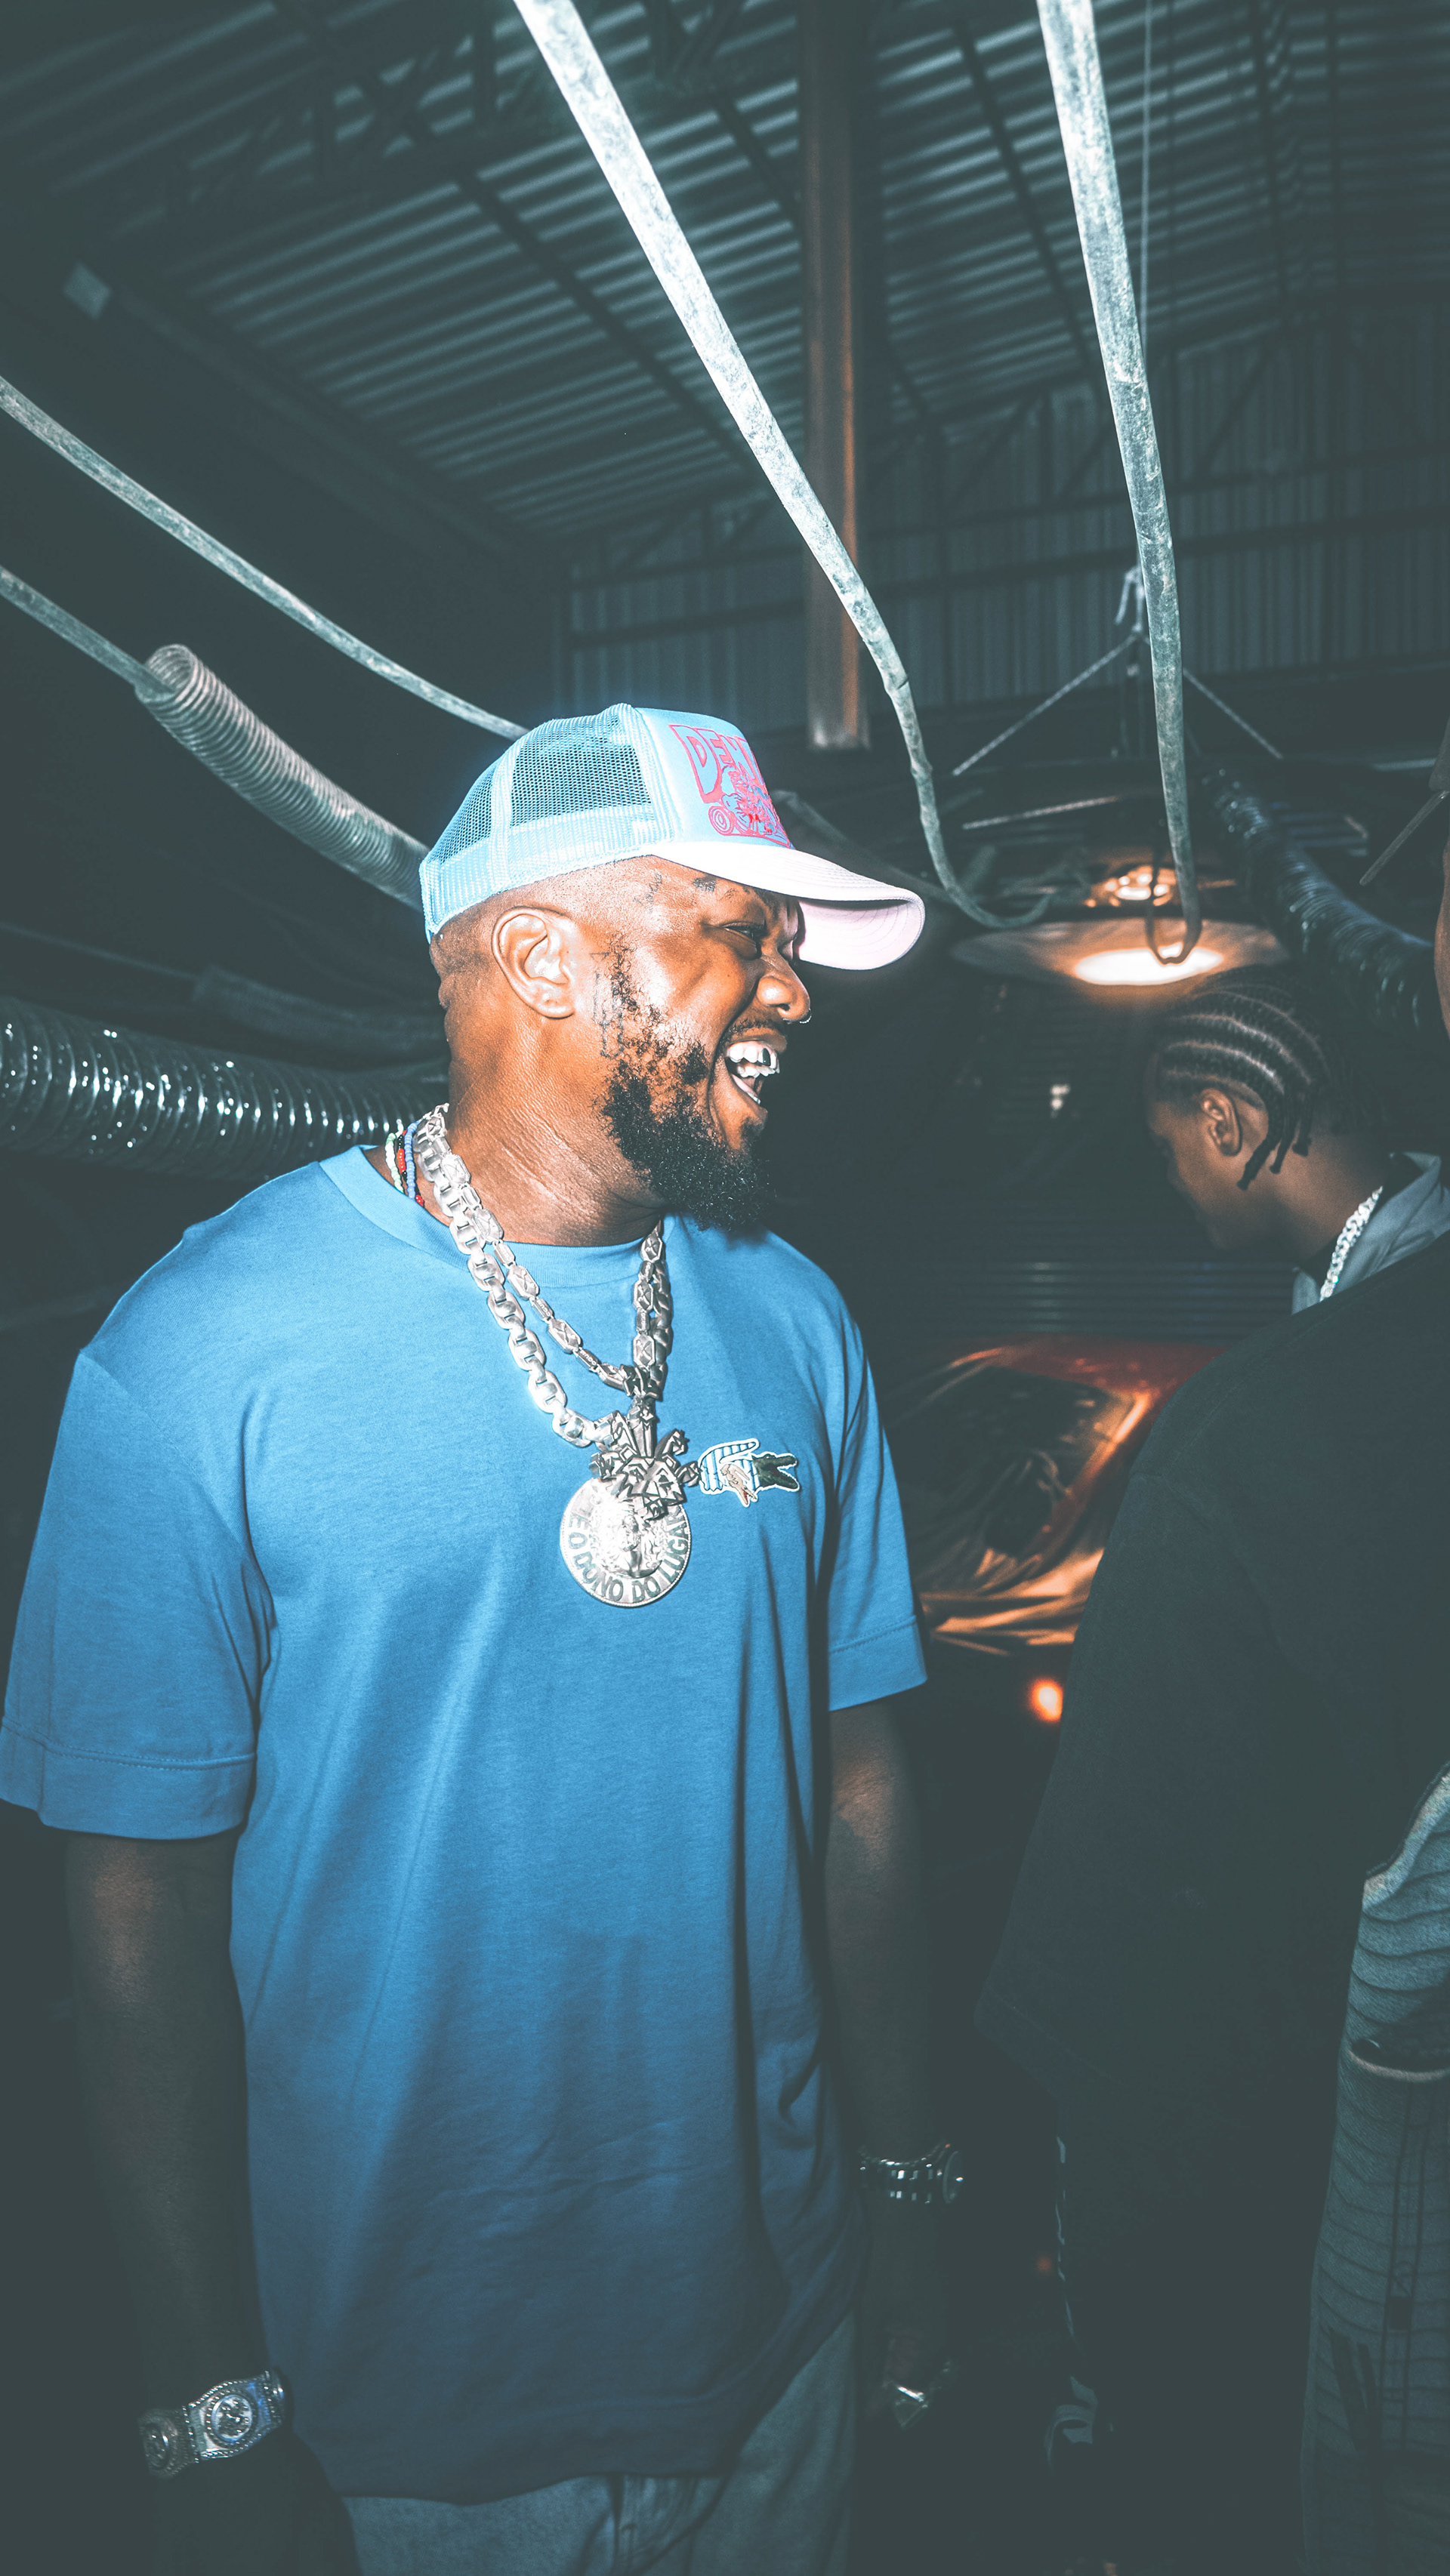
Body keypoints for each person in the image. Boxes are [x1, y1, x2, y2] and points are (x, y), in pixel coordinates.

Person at [0, 704, 949, 2576]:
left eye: (791, 943)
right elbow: (129, 1914)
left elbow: (861, 1784)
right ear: (538, 954)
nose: (792, 990)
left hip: (779, 2351)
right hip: (398, 2421)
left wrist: (916, 2195)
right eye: (738, 929)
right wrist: (209, 2404)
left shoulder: (796, 1317)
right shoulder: (201, 1353)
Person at [978, 896, 1450, 2565]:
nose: (1168, 1178)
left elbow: (1131, 1997)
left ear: (1238, 1125)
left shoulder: (1268, 1431)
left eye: (1171, 1142)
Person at [1144, 962, 1450, 1308]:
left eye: (1165, 1149)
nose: (1170, 1178)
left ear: (1220, 1123)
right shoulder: (1332, 1281)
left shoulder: (1422, 1299)